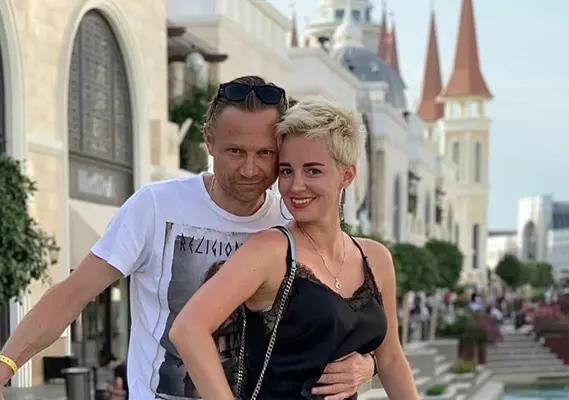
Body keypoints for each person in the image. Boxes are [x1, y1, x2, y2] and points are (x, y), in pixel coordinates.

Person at [0, 76, 376, 399]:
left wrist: (368, 363)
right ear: (208, 140)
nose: (250, 169)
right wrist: (5, 366)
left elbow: (340, 312)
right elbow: (72, 294)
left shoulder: (292, 216)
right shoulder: (156, 207)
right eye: (235, 151)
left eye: (265, 153)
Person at [169, 98, 420, 399]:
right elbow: (188, 329)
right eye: (287, 171)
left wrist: (370, 364)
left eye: (313, 171)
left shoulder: (376, 258)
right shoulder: (270, 250)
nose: (295, 185)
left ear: (347, 175)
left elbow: (391, 359)